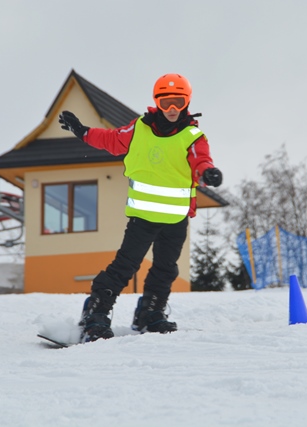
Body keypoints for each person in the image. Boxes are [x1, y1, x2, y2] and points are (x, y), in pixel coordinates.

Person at [58, 73, 222, 342]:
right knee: (125, 266)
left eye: (178, 102)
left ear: (187, 102)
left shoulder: (193, 136)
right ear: (157, 102)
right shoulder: (139, 129)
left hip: (175, 219)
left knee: (165, 269)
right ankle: (96, 314)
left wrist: (208, 172)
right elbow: (111, 140)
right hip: (143, 218)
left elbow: (201, 160)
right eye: (166, 102)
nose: (172, 108)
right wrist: (83, 131)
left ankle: (151, 313)